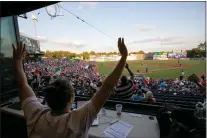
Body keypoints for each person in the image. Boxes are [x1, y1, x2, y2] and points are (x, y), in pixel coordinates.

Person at [12, 38, 128, 138]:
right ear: (71, 99)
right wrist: (124, 57)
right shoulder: (77, 120)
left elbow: (22, 83)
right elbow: (107, 87)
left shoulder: (35, 113)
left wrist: (17, 60)